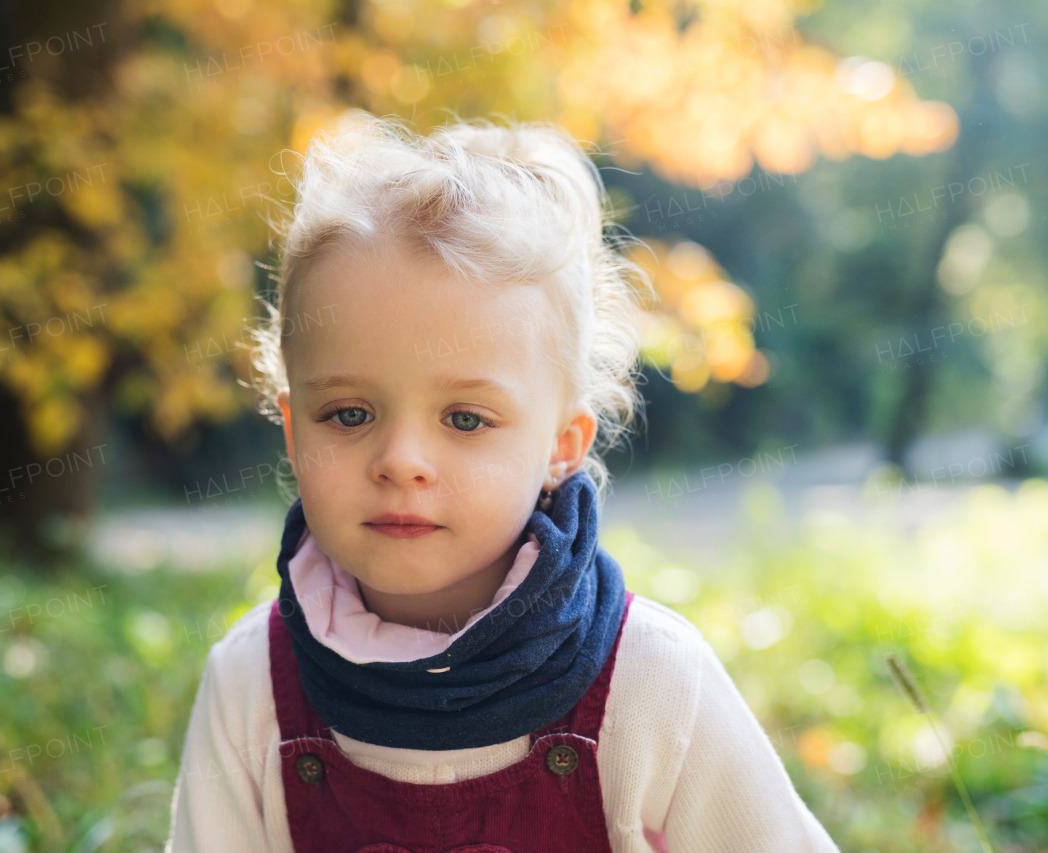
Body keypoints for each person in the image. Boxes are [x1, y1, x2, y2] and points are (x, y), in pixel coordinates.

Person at [165, 115, 840, 852]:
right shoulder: (251, 686)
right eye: (349, 412)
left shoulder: (652, 684)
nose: (401, 459)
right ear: (294, 432)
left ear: (561, 445)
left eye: (465, 418)